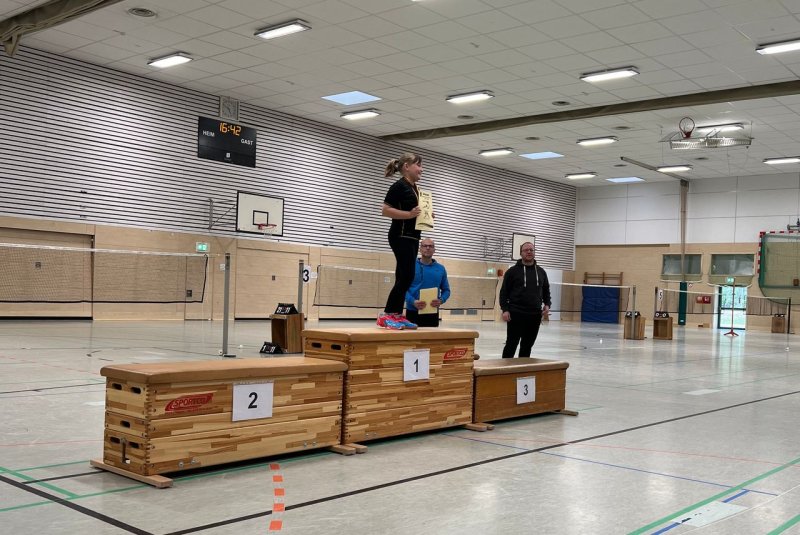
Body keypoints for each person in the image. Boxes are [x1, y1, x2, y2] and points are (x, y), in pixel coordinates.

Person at [378, 152, 423, 330]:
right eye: (418, 165)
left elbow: (416, 212)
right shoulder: (399, 186)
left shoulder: (415, 188)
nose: (421, 169)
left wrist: (426, 215)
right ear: (407, 167)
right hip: (400, 235)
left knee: (404, 276)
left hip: (413, 236)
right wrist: (409, 214)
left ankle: (396, 314)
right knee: (406, 275)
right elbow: (385, 210)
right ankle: (387, 314)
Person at [499, 242, 551, 357]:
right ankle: (505, 367)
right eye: (526, 250)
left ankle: (523, 368)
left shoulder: (541, 272)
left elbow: (546, 290)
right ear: (521, 253)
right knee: (511, 344)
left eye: (531, 250)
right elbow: (504, 292)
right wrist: (505, 310)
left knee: (527, 346)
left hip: (534, 315)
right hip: (515, 314)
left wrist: (547, 304)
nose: (529, 252)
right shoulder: (512, 272)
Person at [405, 238, 450, 327]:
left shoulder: (441, 269)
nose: (428, 248)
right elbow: (402, 289)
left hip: (432, 313)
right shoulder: (410, 266)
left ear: (434, 250)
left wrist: (441, 300)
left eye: (430, 246)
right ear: (420, 249)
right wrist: (413, 301)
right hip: (412, 312)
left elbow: (446, 290)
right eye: (425, 246)